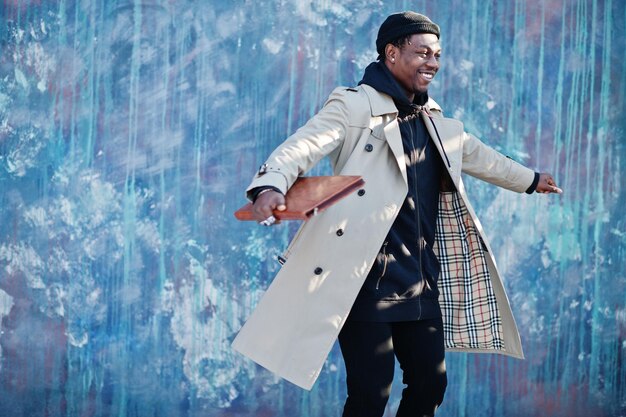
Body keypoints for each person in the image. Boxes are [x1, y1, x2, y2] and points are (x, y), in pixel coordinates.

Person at [232, 11, 562, 417]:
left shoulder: (436, 121)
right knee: (371, 394)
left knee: (430, 382)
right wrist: (270, 186)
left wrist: (531, 179)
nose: (433, 63)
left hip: (420, 279)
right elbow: (302, 146)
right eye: (423, 52)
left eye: (437, 54)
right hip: (365, 280)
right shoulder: (354, 107)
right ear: (391, 52)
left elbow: (483, 158)